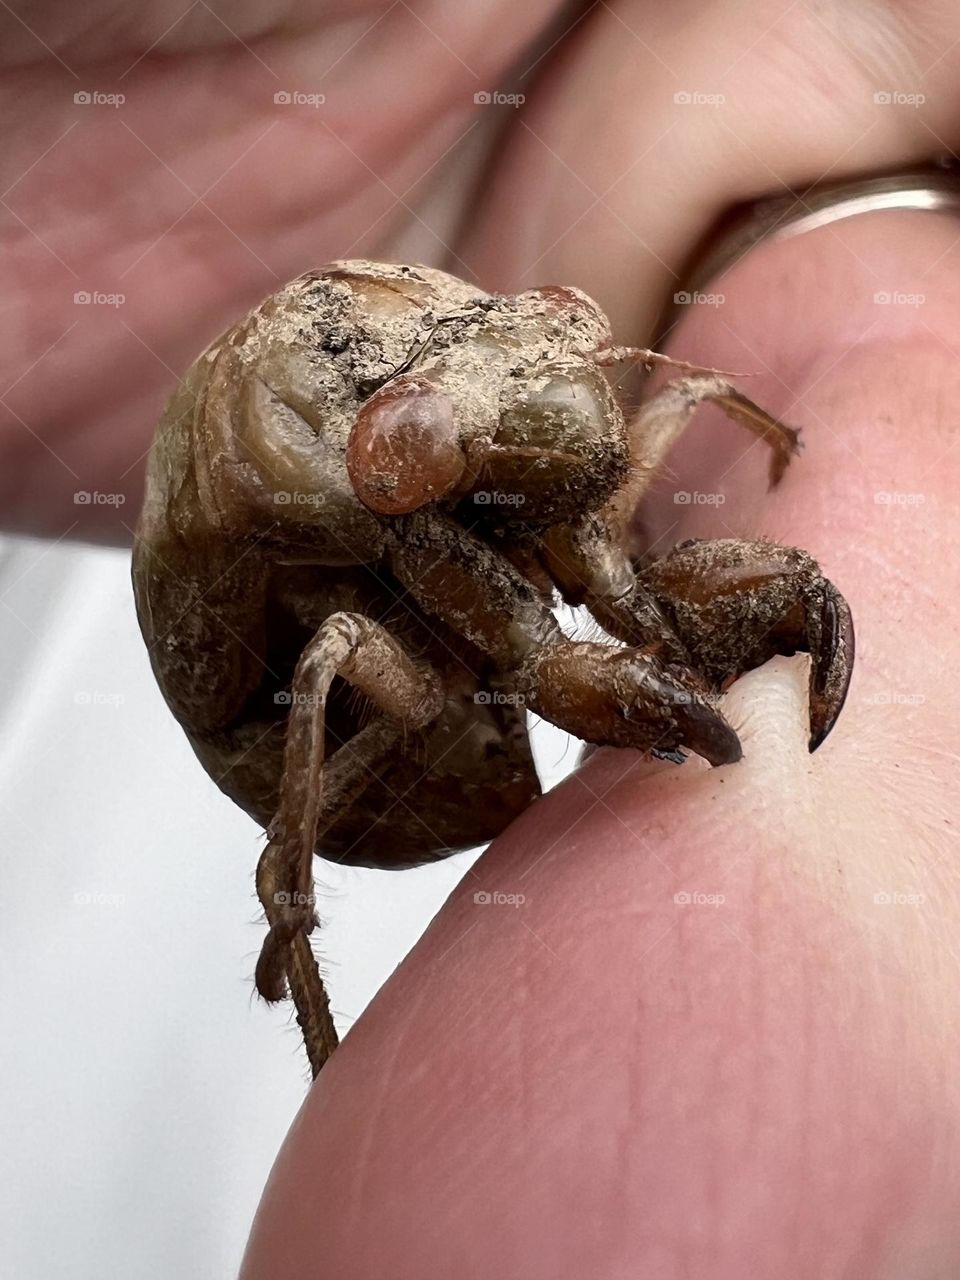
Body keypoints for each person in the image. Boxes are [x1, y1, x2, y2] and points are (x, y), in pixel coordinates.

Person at [4, 3, 960, 1274]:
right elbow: (555, 662)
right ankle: (302, 951)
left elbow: (674, 419)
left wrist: (749, 434)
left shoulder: (449, 393)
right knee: (352, 643)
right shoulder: (358, 518)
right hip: (359, 729)